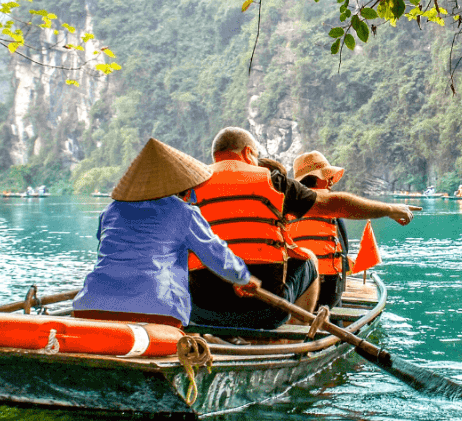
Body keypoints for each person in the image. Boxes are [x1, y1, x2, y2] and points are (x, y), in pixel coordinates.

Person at [187, 127, 413, 329]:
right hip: (266, 313)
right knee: (308, 259)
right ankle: (295, 331)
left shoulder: (189, 187)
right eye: (256, 156)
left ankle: (211, 336)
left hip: (201, 313)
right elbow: (335, 204)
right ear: (248, 153)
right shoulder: (272, 182)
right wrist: (389, 209)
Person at [72, 138, 256, 327]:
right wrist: (242, 277)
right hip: (157, 311)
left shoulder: (110, 211)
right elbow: (216, 255)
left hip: (90, 306)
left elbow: (105, 247)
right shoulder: (184, 212)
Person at [288, 150, 351, 310]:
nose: (330, 182)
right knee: (335, 304)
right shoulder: (331, 204)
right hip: (328, 289)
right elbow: (345, 248)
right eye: (327, 177)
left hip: (296, 286)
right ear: (318, 179)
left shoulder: (287, 206)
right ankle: (336, 323)